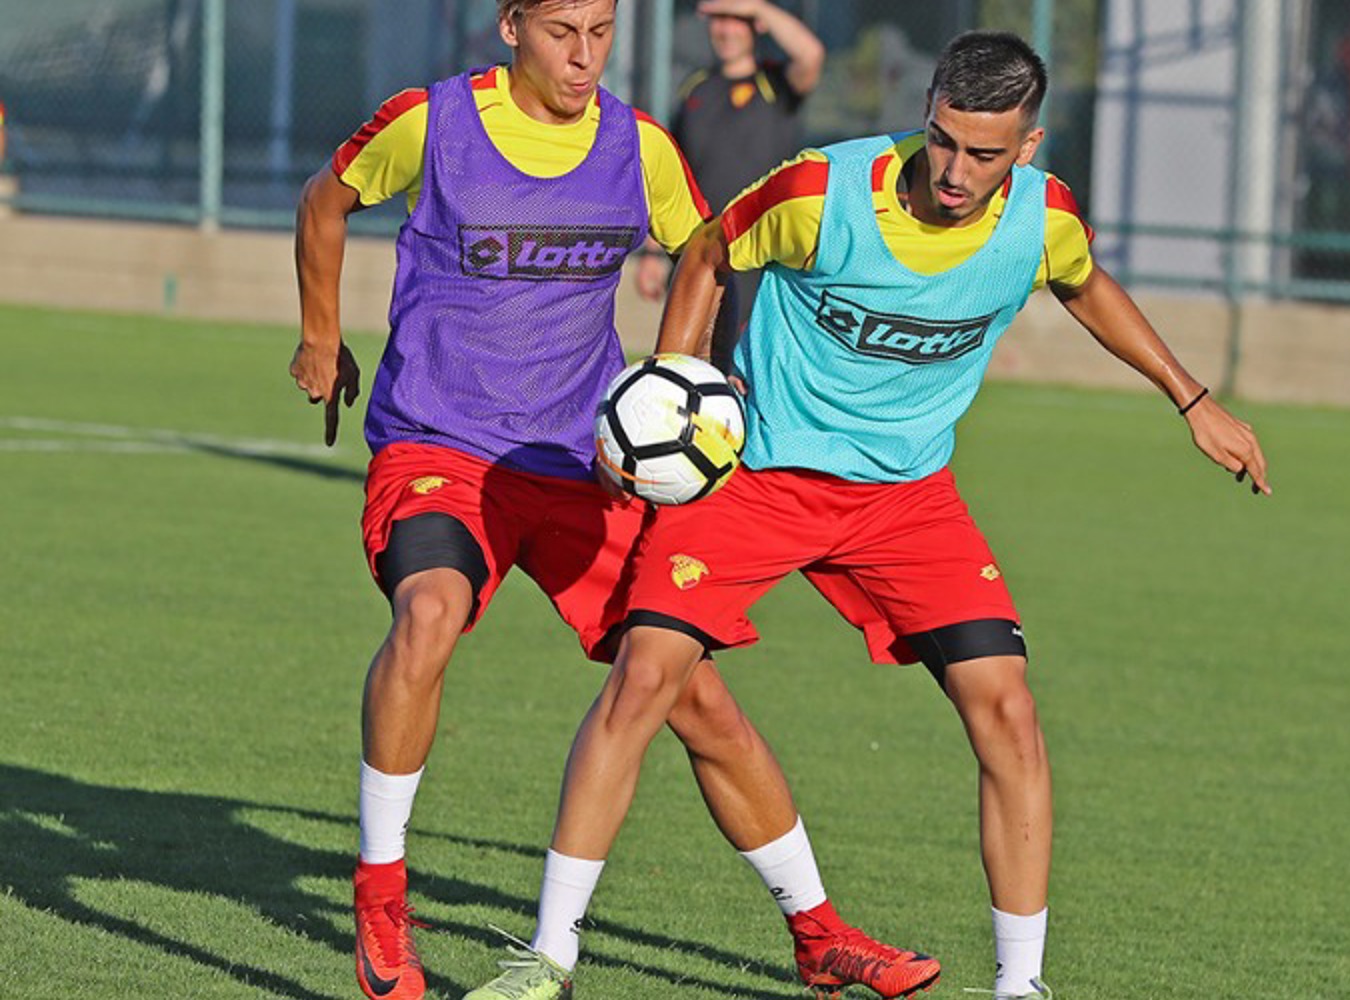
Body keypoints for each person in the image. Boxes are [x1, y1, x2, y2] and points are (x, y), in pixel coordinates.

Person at [517, 30, 1273, 1000]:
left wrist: (1190, 397)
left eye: (983, 154)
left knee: (1008, 710)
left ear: (1028, 147)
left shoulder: (1041, 220)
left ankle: (1020, 987)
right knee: (644, 679)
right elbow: (708, 251)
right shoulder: (821, 193)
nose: (954, 171)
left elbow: (1084, 281)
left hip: (907, 499)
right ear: (927, 113)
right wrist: (673, 390)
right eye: (943, 140)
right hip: (758, 478)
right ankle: (547, 960)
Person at [290, 3, 939, 1000]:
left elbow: (713, 253)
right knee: (429, 614)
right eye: (563, 30)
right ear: (512, 26)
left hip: (583, 462)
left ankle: (819, 933)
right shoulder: (432, 121)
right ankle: (381, 894)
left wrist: (697, 387)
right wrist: (321, 335)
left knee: (691, 691)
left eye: (601, 30)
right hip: (442, 443)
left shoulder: (641, 147)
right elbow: (323, 201)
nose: (585, 54)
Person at [634, 0, 824, 364]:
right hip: (703, 254)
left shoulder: (775, 84)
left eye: (736, 19)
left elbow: (811, 55)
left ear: (755, 24)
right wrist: (652, 254)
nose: (725, 29)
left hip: (761, 260)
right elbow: (671, 176)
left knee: (749, 370)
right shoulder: (696, 89)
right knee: (689, 366)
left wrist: (757, 8)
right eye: (718, 19)